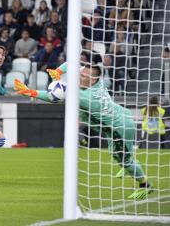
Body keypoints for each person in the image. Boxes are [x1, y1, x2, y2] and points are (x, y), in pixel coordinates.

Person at [14, 62, 154, 200]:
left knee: (124, 159)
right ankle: (129, 162)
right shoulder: (97, 82)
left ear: (92, 79)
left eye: (83, 76)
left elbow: (54, 97)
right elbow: (73, 64)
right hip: (121, 115)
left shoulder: (84, 98)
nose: (79, 77)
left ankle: (145, 185)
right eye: (80, 74)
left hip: (121, 127)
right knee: (116, 153)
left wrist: (30, 91)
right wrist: (59, 71)